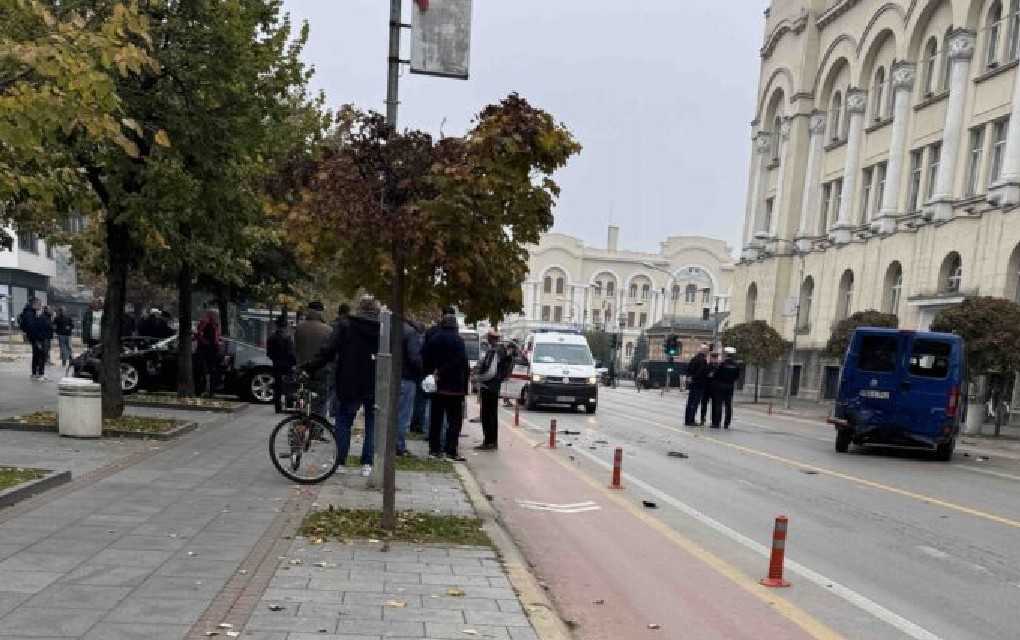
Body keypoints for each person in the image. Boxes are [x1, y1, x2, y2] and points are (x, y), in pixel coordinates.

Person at [305, 296, 381, 477]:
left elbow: (329, 350)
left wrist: (312, 367)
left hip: (349, 380)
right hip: (375, 381)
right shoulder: (383, 329)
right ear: (376, 311)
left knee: (344, 421)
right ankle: (368, 463)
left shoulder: (346, 326)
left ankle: (340, 461)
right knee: (372, 423)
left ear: (359, 308)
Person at [422, 312, 470, 461]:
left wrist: (432, 374)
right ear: (455, 325)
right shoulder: (458, 340)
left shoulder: (434, 340)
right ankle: (451, 450)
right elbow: (463, 362)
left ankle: (434, 450)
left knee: (436, 420)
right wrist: (464, 388)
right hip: (455, 388)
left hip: (437, 386)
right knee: (454, 421)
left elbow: (425, 359)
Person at [294, 302, 333, 415]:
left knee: (303, 398)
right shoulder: (328, 330)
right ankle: (318, 426)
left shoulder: (299, 329)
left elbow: (295, 349)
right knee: (321, 401)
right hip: (322, 370)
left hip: (303, 369)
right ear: (321, 312)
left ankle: (301, 423)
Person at [474, 328, 508, 451]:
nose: (487, 338)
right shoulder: (498, 350)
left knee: (488, 415)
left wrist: (479, 378)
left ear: (492, 337)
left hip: (490, 387)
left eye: (489, 336)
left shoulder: (495, 351)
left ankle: (489, 442)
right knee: (491, 415)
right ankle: (491, 441)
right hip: (493, 387)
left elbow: (491, 372)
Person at [396, 317, 423, 457]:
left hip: (388, 377)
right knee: (403, 415)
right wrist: (419, 374)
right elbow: (414, 358)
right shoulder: (410, 333)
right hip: (406, 378)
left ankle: (385, 444)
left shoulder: (387, 328)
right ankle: (399, 446)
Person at [266, 315, 296, 413]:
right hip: (287, 364)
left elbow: (269, 353)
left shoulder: (271, 338)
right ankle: (289, 404)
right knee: (288, 384)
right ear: (285, 326)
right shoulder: (287, 338)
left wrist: (274, 358)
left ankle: (277, 406)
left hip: (276, 364)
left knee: (277, 385)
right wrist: (292, 362)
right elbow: (290, 353)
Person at [712, 347, 741, 429]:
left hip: (720, 385)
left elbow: (716, 375)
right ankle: (727, 423)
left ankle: (717, 423)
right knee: (728, 405)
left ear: (726, 354)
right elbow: (737, 376)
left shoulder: (722, 364)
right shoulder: (736, 366)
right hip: (730, 386)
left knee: (719, 404)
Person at [195, 309, 222, 397]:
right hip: (205, 350)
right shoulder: (205, 322)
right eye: (216, 315)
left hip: (213, 350)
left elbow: (217, 335)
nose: (217, 317)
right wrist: (205, 341)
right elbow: (199, 333)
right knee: (205, 371)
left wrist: (218, 342)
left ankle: (211, 391)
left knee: (212, 371)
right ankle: (202, 390)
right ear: (211, 315)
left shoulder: (216, 325)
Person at [20, 298, 47, 381]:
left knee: (37, 355)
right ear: (34, 304)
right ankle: (38, 373)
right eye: (39, 304)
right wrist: (38, 337)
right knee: (40, 355)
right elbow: (32, 327)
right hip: (36, 338)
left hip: (35, 338)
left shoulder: (32, 313)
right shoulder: (30, 314)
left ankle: (35, 373)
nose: (40, 306)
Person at [684, 343, 710, 426]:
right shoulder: (703, 360)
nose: (707, 353)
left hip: (692, 383)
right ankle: (691, 420)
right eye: (707, 351)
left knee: (690, 402)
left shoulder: (694, 358)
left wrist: (689, 377)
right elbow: (702, 372)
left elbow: (688, 369)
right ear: (705, 351)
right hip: (699, 384)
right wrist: (694, 378)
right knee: (695, 402)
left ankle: (687, 420)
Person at [699, 352, 719, 425]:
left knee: (714, 405)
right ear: (710, 358)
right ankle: (702, 418)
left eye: (715, 358)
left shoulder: (718, 367)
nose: (714, 360)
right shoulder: (707, 367)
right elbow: (704, 375)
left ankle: (713, 420)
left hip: (714, 388)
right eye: (713, 358)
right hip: (707, 387)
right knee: (704, 404)